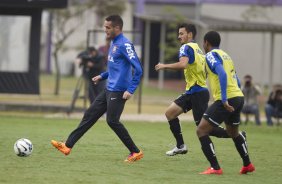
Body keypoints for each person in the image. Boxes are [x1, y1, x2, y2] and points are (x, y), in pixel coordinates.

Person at [51, 15, 144, 162]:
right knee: (90, 114)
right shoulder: (113, 43)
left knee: (112, 121)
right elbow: (115, 69)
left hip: (119, 90)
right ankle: (67, 146)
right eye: (105, 27)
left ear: (117, 28)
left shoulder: (125, 45)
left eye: (108, 27)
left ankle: (135, 152)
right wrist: (102, 76)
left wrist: (130, 90)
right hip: (109, 88)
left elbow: (138, 69)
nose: (105, 30)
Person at [155, 24, 244, 156]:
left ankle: (236, 134)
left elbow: (183, 64)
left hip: (197, 92)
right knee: (170, 113)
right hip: (194, 91)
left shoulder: (185, 47)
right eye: (178, 34)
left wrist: (164, 66)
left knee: (204, 129)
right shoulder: (199, 50)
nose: (179, 37)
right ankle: (181, 146)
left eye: (181, 33)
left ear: (190, 34)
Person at [196, 31, 255, 175]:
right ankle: (247, 165)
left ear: (206, 43)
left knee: (201, 130)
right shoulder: (226, 56)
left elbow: (222, 74)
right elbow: (237, 80)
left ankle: (215, 168)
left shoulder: (210, 55)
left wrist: (223, 99)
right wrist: (235, 96)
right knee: (233, 132)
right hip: (238, 96)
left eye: (203, 43)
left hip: (227, 99)